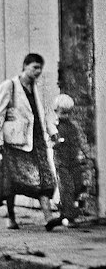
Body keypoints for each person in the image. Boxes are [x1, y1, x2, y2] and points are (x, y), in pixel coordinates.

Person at [0, 53, 57, 230]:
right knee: (11, 182)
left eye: (40, 68)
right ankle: (11, 218)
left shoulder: (37, 88)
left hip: (37, 141)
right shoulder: (10, 86)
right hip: (15, 142)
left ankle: (48, 218)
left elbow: (44, 113)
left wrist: (52, 132)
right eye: (34, 67)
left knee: (44, 179)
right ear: (25, 66)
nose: (38, 71)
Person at [51, 92, 88, 229]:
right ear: (56, 111)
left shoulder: (74, 127)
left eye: (68, 113)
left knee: (78, 185)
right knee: (66, 188)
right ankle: (68, 216)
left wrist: (85, 153)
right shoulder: (54, 126)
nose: (66, 116)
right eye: (63, 113)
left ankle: (70, 210)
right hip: (61, 162)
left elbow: (80, 141)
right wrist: (56, 142)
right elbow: (50, 141)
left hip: (74, 160)